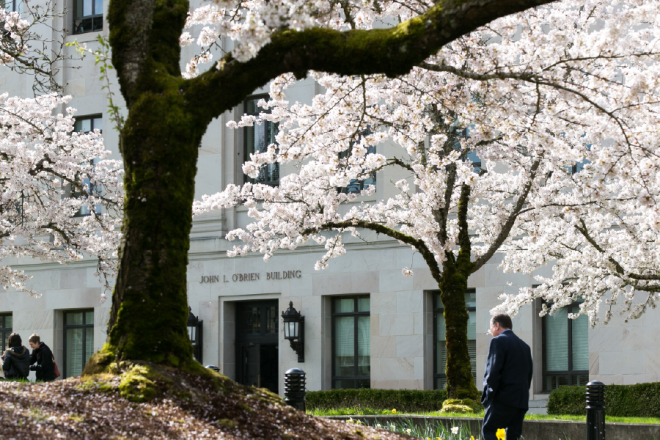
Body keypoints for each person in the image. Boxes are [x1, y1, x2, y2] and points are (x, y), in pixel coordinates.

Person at [481, 314, 533, 440]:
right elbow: (529, 373)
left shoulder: (497, 341)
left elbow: (493, 371)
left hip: (502, 398)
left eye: (491, 328)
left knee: (488, 430)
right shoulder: (525, 346)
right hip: (520, 400)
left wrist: (489, 395)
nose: (491, 332)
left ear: (497, 326)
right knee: (513, 436)